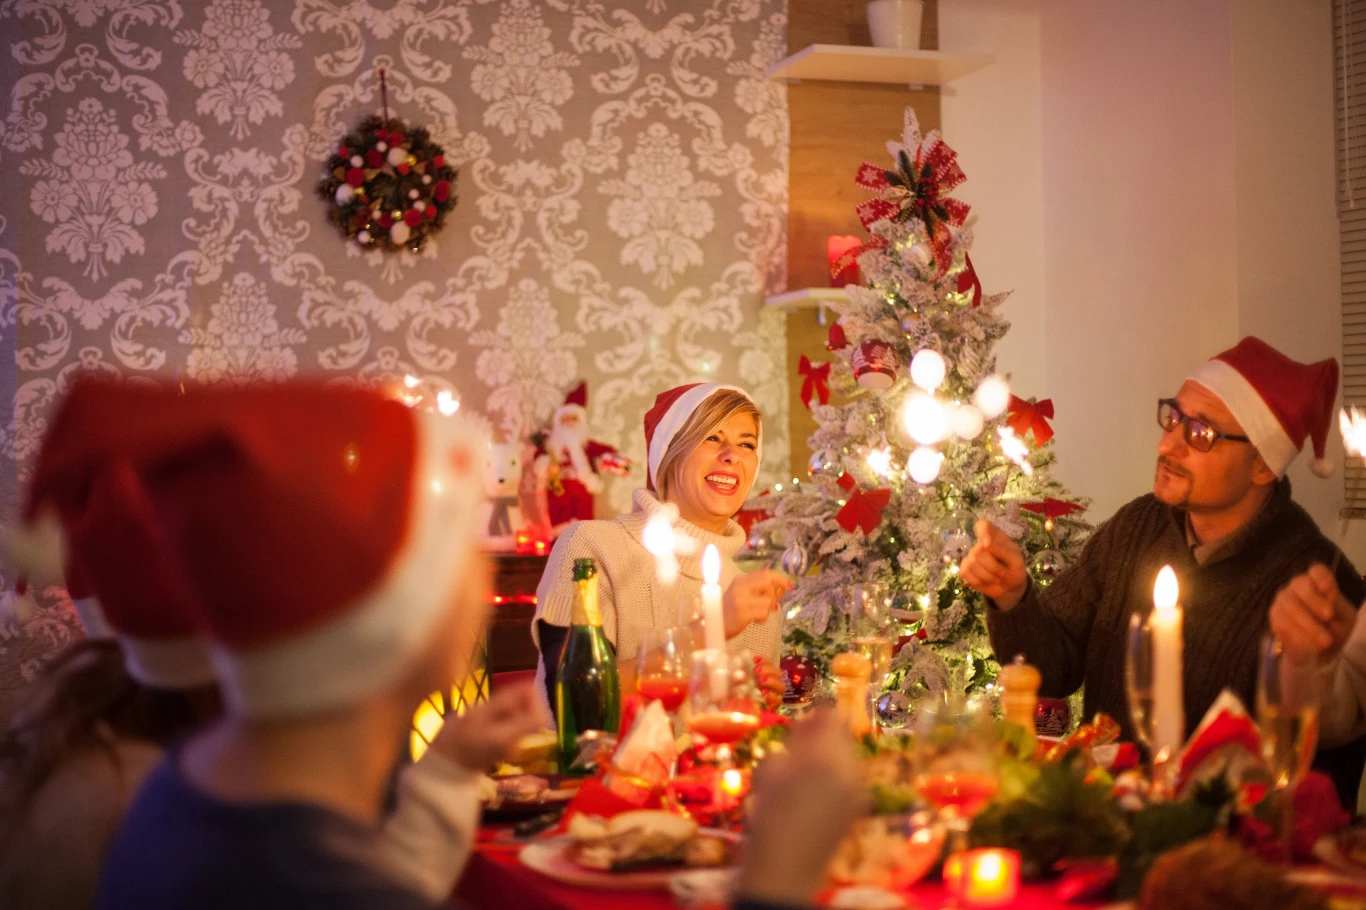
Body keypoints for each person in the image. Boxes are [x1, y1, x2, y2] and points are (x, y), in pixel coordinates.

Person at [4, 379, 546, 910]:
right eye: (464, 557)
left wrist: (449, 767)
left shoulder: (178, 787)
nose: (484, 579)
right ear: (400, 624)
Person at [960, 337, 1366, 806]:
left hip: (1216, 856)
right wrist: (1013, 597)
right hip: (1102, 821)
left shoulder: (1316, 588)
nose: (1167, 444)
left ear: (1261, 466)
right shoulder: (1138, 526)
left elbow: (1321, 783)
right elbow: (1050, 669)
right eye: (1173, 417)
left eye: (1201, 433)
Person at [532, 383, 791, 712]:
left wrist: (754, 705)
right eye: (712, 437)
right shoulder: (591, 547)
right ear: (668, 450)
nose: (732, 455)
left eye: (747, 444)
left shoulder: (757, 606)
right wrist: (714, 627)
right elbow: (573, 702)